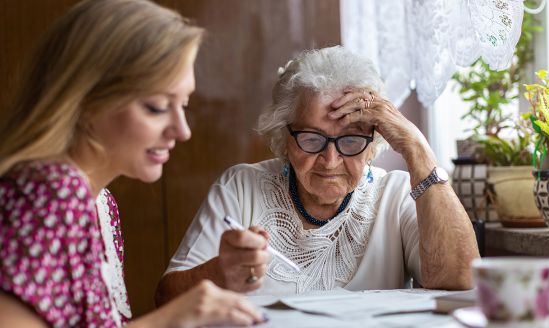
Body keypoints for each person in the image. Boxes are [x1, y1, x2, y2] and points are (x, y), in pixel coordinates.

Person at [0, 0, 266, 327]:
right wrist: (169, 318)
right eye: (156, 106)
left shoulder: (100, 203)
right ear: (85, 99)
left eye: (184, 104)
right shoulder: (48, 193)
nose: (182, 131)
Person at [154, 46, 480, 305]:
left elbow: (463, 282)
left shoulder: (395, 195)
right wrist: (218, 272)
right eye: (312, 138)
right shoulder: (241, 188)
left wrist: (417, 149)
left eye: (351, 140)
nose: (330, 159)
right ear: (284, 139)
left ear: (371, 144)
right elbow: (166, 298)